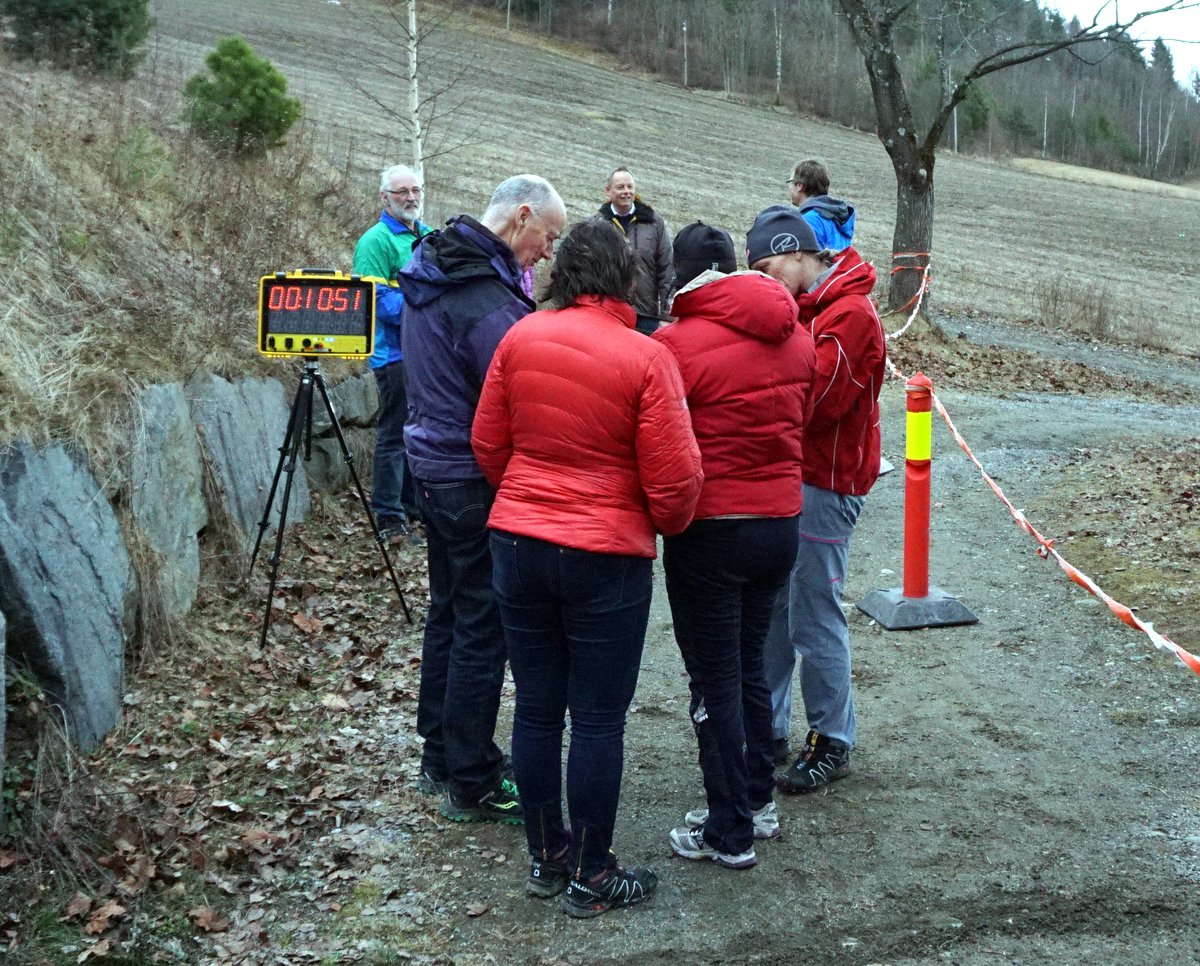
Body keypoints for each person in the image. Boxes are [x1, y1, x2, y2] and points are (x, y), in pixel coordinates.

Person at [471, 219, 703, 917]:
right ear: (624, 277)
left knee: (537, 708)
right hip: (605, 554)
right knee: (599, 719)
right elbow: (675, 481)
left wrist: (528, 497)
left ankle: (548, 857)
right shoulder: (646, 357)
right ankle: (592, 873)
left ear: (563, 274)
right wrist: (657, 522)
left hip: (519, 542)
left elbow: (488, 442)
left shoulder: (520, 337)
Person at [397, 174, 567, 823]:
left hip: (431, 465)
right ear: (522, 216)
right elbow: (525, 383)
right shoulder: (481, 296)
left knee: (449, 611)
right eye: (547, 236)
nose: (547, 252)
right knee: (481, 626)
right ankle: (472, 777)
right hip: (468, 472)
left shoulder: (439, 266)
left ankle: (439, 754)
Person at [652, 223, 816, 870]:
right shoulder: (796, 336)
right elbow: (801, 419)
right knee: (750, 666)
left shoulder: (673, 345)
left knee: (713, 677)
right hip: (780, 523)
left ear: (682, 278)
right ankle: (755, 801)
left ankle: (728, 829)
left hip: (711, 530)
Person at [747, 206, 885, 795]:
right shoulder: (814, 307)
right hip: (797, 475)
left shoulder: (848, 314)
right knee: (777, 607)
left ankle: (832, 739)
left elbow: (817, 401)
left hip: (826, 483)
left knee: (813, 615)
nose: (765, 280)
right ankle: (768, 727)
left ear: (797, 253)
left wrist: (754, 394)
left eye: (767, 267)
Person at [353, 164, 432, 544]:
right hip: (392, 355)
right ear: (385, 197)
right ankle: (388, 516)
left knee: (416, 432)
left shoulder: (429, 236)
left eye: (415, 190)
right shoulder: (375, 241)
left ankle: (412, 508)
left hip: (424, 353)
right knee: (393, 434)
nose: (411, 197)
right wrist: (429, 306)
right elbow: (374, 301)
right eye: (402, 191)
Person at [591, 167, 672, 335]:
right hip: (609, 313)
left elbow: (667, 269)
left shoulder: (654, 222)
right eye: (620, 187)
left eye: (630, 187)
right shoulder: (596, 224)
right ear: (608, 191)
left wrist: (666, 315)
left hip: (646, 315)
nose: (626, 191)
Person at [787, 159, 856, 253]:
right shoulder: (837, 216)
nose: (789, 188)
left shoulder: (809, 220)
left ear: (799, 185)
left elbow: (810, 259)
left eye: (790, 182)